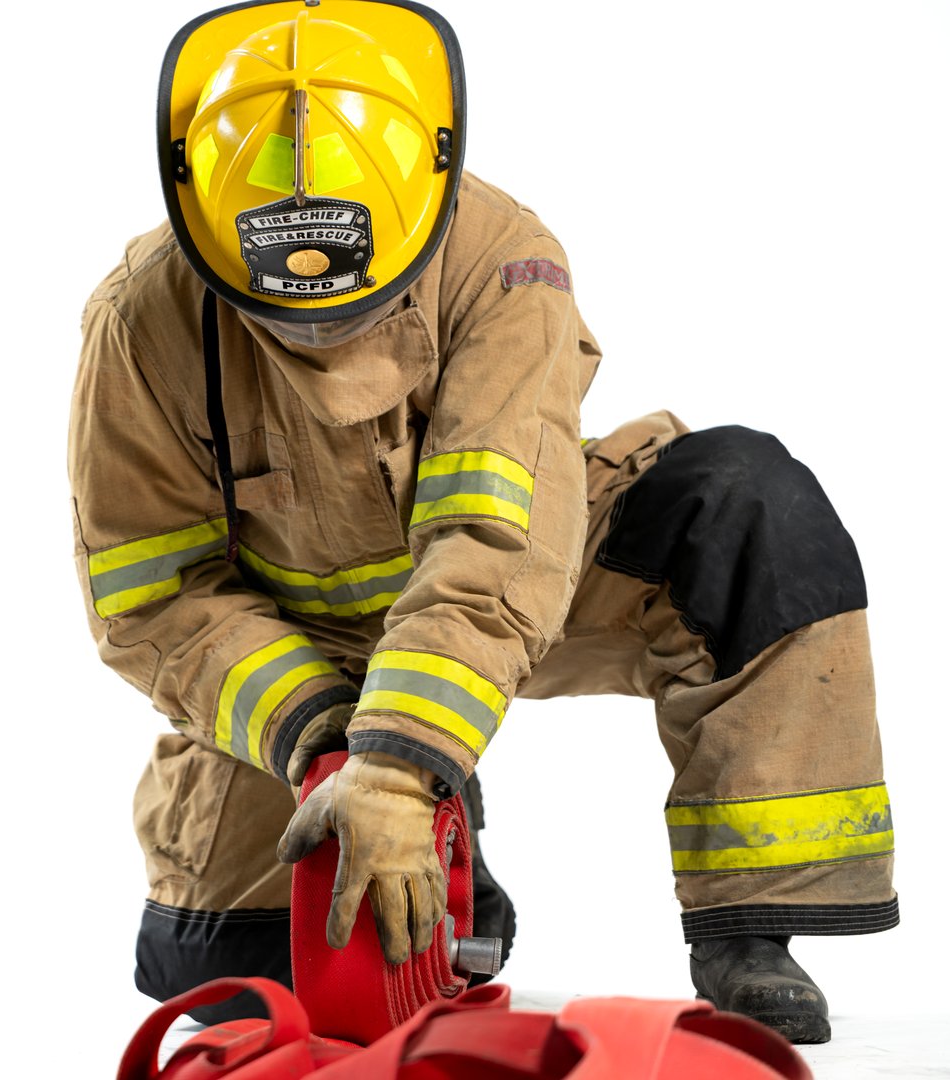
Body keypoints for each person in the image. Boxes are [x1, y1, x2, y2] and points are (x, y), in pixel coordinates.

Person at [67, 0, 896, 1045]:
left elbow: (494, 536)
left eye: (353, 308)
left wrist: (406, 763)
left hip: (527, 592)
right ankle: (452, 844)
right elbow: (153, 597)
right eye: (283, 316)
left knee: (742, 502)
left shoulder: (505, 260)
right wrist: (333, 748)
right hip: (292, 644)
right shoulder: (140, 320)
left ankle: (751, 928)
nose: (319, 335)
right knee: (228, 975)